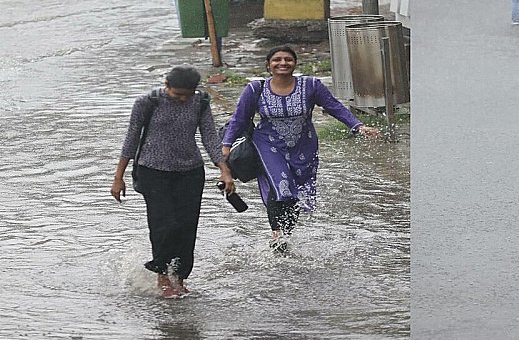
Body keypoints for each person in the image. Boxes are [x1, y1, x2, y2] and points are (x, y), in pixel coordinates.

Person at [221, 45, 381, 251]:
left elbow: (333, 106)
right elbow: (239, 119)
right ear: (268, 66)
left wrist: (357, 126)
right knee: (281, 185)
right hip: (268, 145)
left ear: (295, 64)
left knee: (297, 191)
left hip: (304, 146)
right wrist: (226, 145)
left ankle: (286, 233)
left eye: (288, 59)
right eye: (277, 59)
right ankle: (276, 234)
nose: (282, 63)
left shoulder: (311, 85)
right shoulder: (254, 89)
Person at [111, 65, 235, 298]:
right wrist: (118, 177)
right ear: (166, 86)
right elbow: (131, 139)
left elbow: (209, 136)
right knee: (164, 224)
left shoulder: (201, 102)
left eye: (187, 95)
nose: (182, 99)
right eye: (177, 94)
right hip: (153, 170)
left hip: (190, 171)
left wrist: (224, 170)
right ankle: (163, 277)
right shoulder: (148, 102)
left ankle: (179, 276)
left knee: (187, 227)